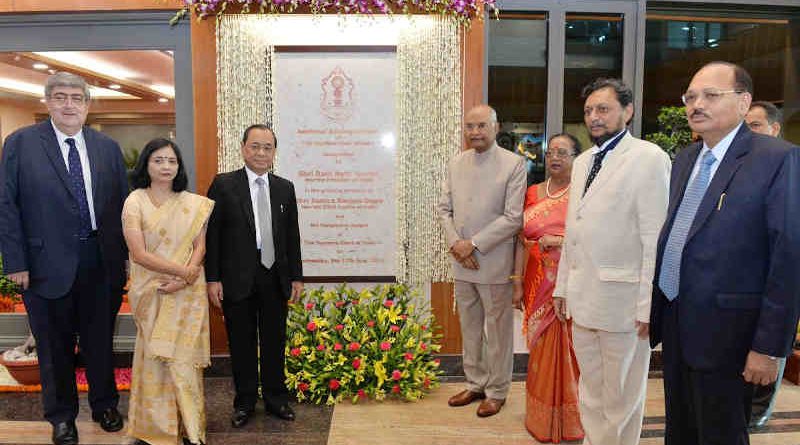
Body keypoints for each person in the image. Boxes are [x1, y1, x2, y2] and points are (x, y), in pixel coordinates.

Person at [651, 62, 800, 445]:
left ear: (743, 101)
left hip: (731, 333)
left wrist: (769, 347)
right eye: (690, 97)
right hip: (677, 319)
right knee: (681, 430)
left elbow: (788, 257)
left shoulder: (775, 159)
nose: (696, 104)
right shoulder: (686, 158)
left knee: (720, 434)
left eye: (710, 95)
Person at [0, 72, 128, 445]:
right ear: (48, 103)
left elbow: (122, 208)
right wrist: (16, 262)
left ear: (88, 105)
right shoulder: (21, 144)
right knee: (53, 346)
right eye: (60, 97)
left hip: (100, 259)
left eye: (76, 98)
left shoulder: (107, 147)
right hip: (43, 264)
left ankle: (105, 406)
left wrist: (126, 258)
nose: (69, 104)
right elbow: (7, 206)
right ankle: (61, 417)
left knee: (99, 340)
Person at [553, 78, 671, 445]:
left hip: (624, 304)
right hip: (583, 299)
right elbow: (574, 229)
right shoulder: (584, 160)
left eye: (603, 109)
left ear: (628, 111)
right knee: (590, 390)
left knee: (621, 395)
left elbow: (655, 238)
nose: (594, 117)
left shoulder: (649, 158)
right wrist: (562, 287)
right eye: (588, 110)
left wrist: (648, 306)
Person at [205, 124, 303, 427]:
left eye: (267, 147)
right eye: (255, 146)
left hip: (275, 278)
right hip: (237, 279)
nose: (261, 152)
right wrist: (212, 279)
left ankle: (276, 399)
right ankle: (244, 402)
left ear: (274, 153)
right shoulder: (223, 185)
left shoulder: (285, 187)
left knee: (275, 341)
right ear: (244, 148)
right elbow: (213, 237)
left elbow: (291, 237)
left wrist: (297, 277)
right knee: (241, 342)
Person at [437, 104, 526, 418]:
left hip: (494, 264)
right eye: (469, 126)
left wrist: (472, 245)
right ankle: (475, 383)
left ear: (495, 127)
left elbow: (513, 218)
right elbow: (444, 209)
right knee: (470, 327)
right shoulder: (456, 163)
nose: (474, 132)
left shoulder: (514, 164)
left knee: (498, 332)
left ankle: (497, 390)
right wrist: (456, 245)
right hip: (463, 263)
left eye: (481, 126)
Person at [123, 139, 214, 445]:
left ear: (179, 166)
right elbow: (138, 253)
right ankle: (154, 429)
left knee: (183, 361)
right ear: (146, 164)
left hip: (185, 292)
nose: (166, 167)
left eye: (171, 161)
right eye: (158, 160)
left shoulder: (192, 203)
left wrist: (186, 278)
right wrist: (182, 273)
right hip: (153, 291)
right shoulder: (135, 201)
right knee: (154, 360)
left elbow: (200, 246)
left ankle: (190, 427)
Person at [512, 133, 584, 443]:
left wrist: (559, 241)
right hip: (535, 281)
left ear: (575, 158)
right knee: (540, 349)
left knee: (570, 351)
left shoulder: (583, 195)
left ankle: (570, 421)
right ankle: (540, 419)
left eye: (563, 153)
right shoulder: (532, 192)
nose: (555, 158)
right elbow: (521, 241)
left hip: (569, 284)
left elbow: (593, 239)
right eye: (551, 152)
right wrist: (516, 281)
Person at [744, 100, 786, 429]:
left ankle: (759, 412)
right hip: (742, 290)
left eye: (755, 125)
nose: (749, 133)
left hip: (779, 281)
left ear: (775, 129)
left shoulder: (788, 163)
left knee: (769, 349)